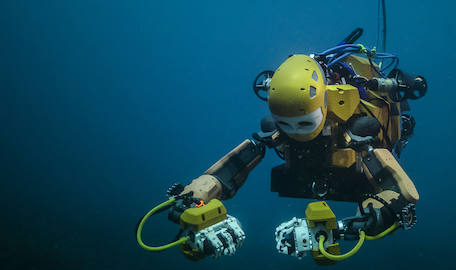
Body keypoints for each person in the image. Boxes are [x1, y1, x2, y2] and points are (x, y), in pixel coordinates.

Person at [169, 33, 426, 248]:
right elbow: (229, 169)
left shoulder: (355, 128)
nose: (296, 132)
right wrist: (194, 197)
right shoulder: (277, 128)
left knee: (363, 128)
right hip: (315, 176)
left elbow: (402, 194)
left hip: (356, 177)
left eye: (305, 123)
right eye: (286, 124)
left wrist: (356, 222)